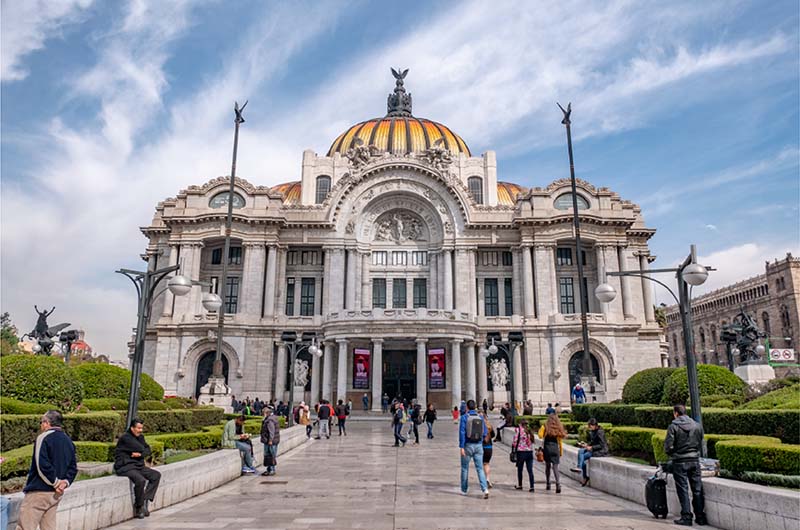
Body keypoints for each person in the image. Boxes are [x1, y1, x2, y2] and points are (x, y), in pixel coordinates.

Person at [16, 410, 77, 530]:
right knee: (49, 527)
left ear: (46, 423)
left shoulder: (43, 438)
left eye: (41, 422)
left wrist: (56, 482)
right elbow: (73, 467)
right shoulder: (68, 440)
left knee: (25, 527)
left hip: (39, 491)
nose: (41, 425)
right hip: (56, 494)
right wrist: (64, 482)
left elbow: (42, 465)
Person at [665, 404, 708, 526]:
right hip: (694, 460)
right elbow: (700, 442)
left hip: (680, 461)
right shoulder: (697, 425)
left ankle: (686, 516)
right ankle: (700, 517)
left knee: (683, 489)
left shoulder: (673, 426)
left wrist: (674, 453)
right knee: (697, 489)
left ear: (676, 413)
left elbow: (668, 447)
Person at [114, 418, 161, 518]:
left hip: (138, 466)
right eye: (138, 428)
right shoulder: (125, 438)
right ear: (132, 428)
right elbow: (140, 448)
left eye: (141, 428)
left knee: (156, 475)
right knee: (140, 480)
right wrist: (142, 452)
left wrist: (140, 455)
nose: (140, 430)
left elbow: (148, 450)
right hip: (126, 466)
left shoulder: (140, 437)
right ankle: (139, 507)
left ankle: (144, 500)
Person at [459, 399, 489, 499]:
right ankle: (485, 489)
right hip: (479, 446)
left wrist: (461, 447)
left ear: (467, 407)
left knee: (464, 468)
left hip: (468, 445)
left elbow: (462, 433)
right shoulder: (480, 417)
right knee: (480, 468)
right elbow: (485, 432)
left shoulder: (464, 417)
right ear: (475, 407)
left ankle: (464, 489)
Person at [570, 417, 608, 486]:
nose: (590, 428)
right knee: (581, 451)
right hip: (592, 449)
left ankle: (582, 473)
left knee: (582, 458)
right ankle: (580, 469)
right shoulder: (593, 431)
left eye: (590, 426)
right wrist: (586, 445)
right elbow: (593, 442)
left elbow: (602, 445)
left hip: (600, 451)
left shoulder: (600, 432)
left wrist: (591, 447)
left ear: (595, 425)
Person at [538, 414, 566, 494]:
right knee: (555, 467)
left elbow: (540, 435)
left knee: (547, 466)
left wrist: (542, 428)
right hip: (555, 448)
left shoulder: (545, 426)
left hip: (547, 448)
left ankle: (548, 483)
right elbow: (560, 442)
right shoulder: (558, 427)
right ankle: (558, 484)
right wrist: (560, 452)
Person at [512, 418, 535, 492]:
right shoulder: (530, 431)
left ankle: (520, 485)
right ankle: (532, 486)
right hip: (529, 452)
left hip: (521, 452)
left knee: (520, 469)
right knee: (530, 470)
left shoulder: (519, 431)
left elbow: (515, 442)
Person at [260, 406, 281, 476]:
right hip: (274, 440)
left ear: (267, 413)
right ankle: (269, 469)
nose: (262, 414)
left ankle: (271, 469)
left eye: (263, 413)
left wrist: (270, 440)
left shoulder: (270, 420)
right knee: (270, 455)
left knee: (270, 455)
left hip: (270, 441)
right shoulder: (273, 418)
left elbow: (271, 431)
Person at [481, 411, 494, 489]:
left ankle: (483, 481)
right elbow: (493, 435)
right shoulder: (489, 426)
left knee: (481, 465)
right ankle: (488, 479)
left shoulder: (479, 426)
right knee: (487, 463)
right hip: (489, 447)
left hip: (481, 447)